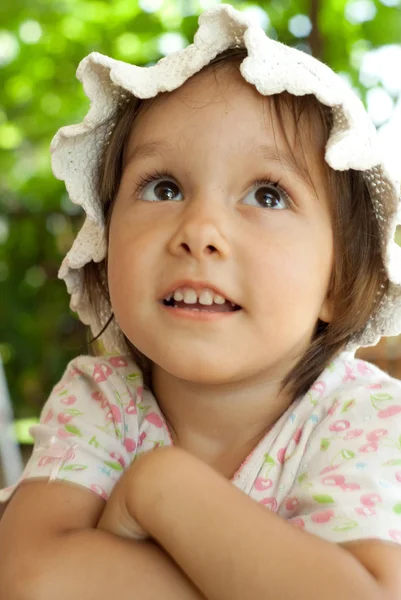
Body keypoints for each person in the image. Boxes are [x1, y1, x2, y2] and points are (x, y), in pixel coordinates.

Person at [1, 3, 401, 599]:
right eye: (164, 187)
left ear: (338, 286)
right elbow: (30, 579)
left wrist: (161, 488)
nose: (200, 229)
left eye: (268, 195)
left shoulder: (362, 416)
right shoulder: (103, 401)